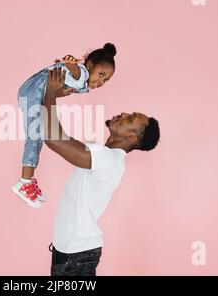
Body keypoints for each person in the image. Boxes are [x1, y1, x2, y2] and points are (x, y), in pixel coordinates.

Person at [43, 67, 160, 276]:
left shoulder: (108, 159)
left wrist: (50, 94)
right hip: (72, 252)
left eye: (130, 118)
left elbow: (53, 138)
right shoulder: (104, 156)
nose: (123, 114)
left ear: (132, 138)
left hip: (76, 256)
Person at [12, 43, 118, 208]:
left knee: (38, 136)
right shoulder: (82, 74)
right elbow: (73, 68)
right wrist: (70, 63)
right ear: (90, 66)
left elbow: (60, 82)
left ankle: (28, 180)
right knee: (34, 136)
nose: (101, 81)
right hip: (33, 92)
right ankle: (24, 182)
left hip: (35, 91)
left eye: (106, 79)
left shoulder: (84, 81)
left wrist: (68, 64)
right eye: (101, 74)